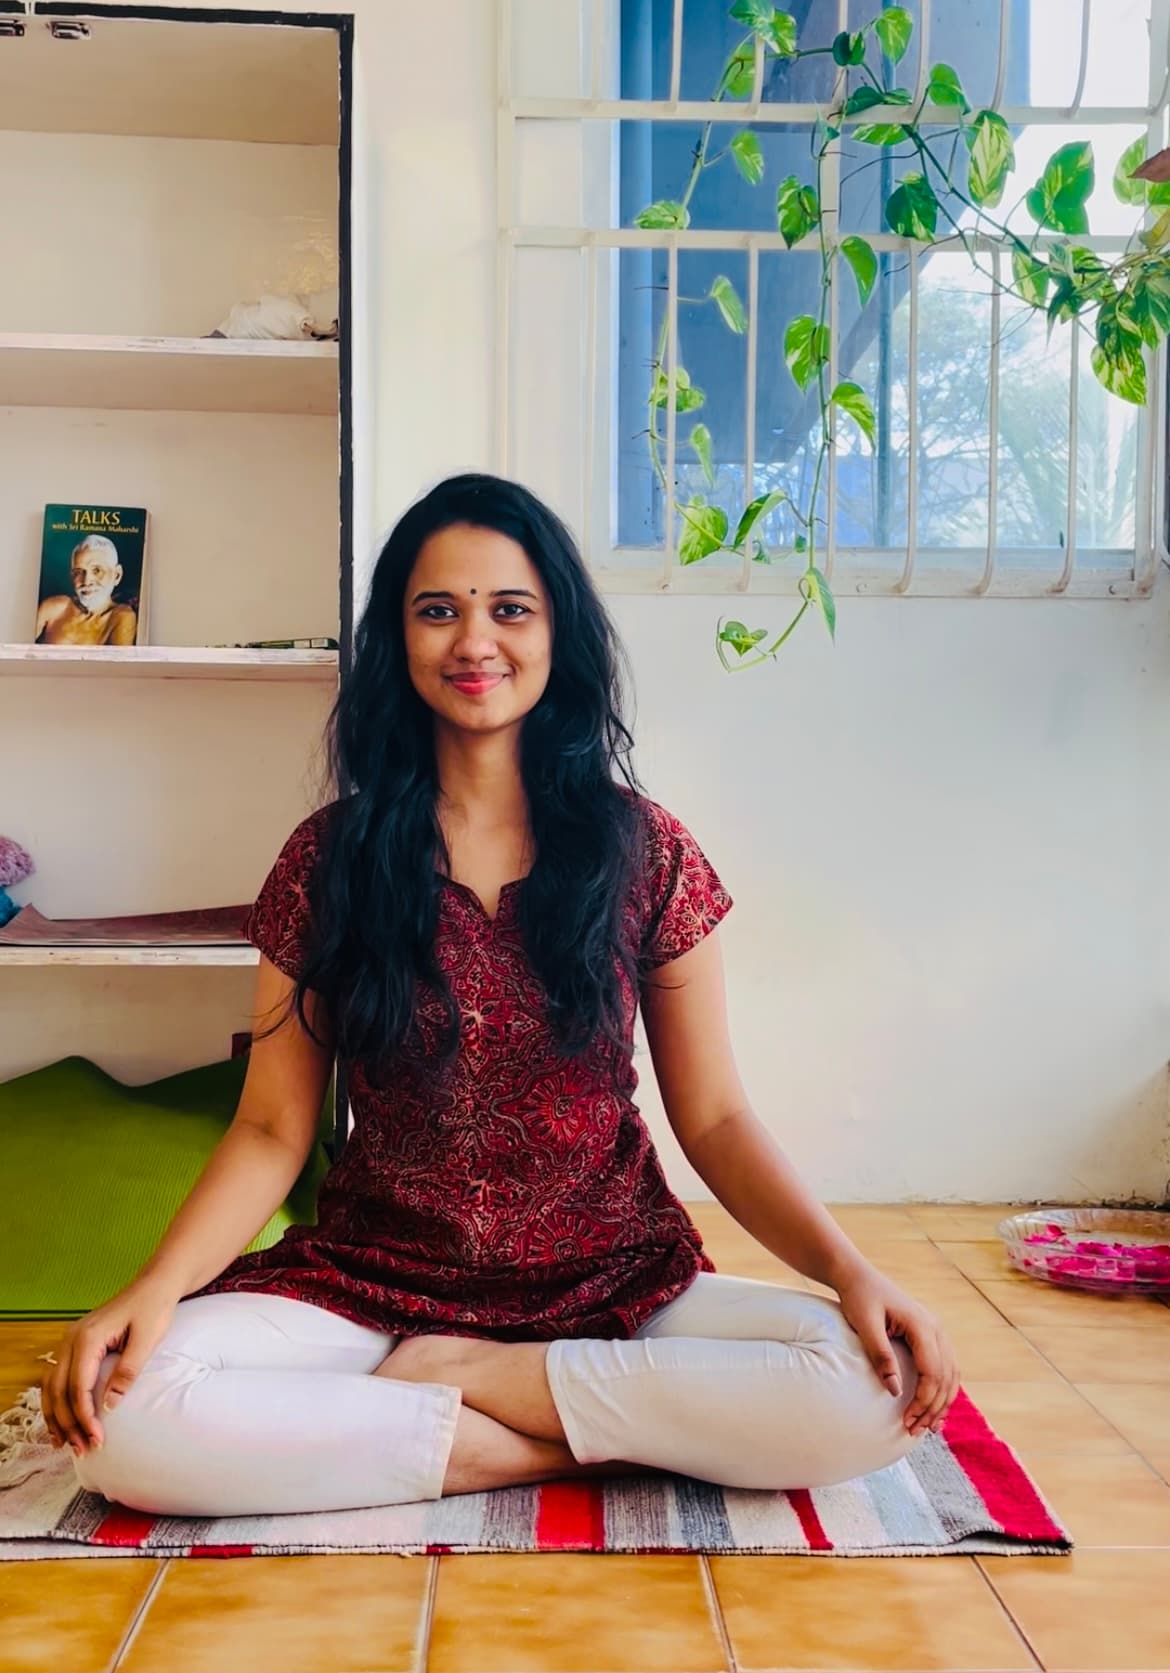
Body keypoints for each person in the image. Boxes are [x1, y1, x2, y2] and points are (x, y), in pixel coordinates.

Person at [41, 474, 959, 1518]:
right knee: (132, 1417)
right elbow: (269, 1125)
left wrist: (849, 1272)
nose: (475, 640)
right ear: (400, 639)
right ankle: (556, 1447)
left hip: (615, 1281)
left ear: (556, 632)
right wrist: (155, 1289)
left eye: (508, 608)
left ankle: (472, 1387)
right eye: (439, 610)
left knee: (868, 1387)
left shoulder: (644, 850)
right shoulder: (327, 861)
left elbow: (716, 1115)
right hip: (373, 1283)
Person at [35, 534, 138, 647]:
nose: (86, 581)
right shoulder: (55, 608)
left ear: (117, 575)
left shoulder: (122, 616)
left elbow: (117, 663)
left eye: (97, 570)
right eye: (78, 572)